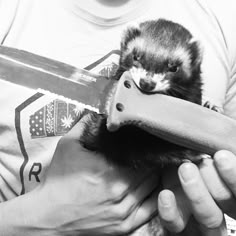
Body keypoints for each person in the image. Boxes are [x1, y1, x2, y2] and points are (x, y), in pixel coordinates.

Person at [0, 0, 235, 235]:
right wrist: (39, 216)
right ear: (126, 44)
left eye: (172, 68)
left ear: (194, 60)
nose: (148, 80)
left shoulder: (223, 17)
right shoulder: (11, 12)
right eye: (138, 59)